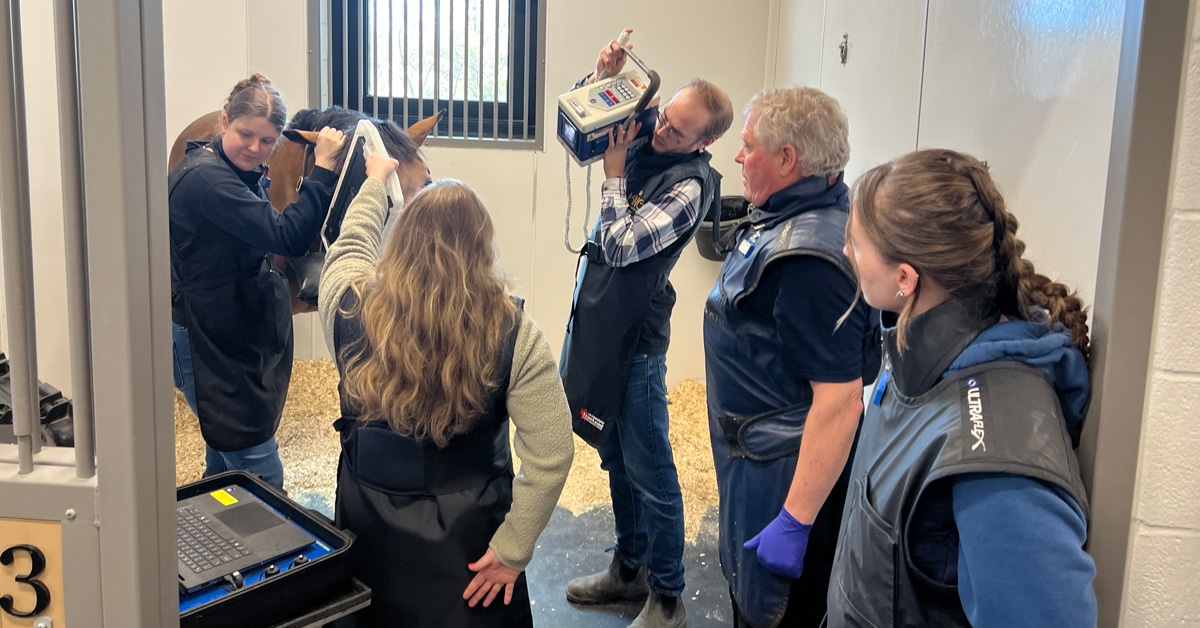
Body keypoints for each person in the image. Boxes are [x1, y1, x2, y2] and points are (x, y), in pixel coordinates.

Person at [827, 148, 1097, 626]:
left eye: (857, 244)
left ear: (905, 277)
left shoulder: (999, 451)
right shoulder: (914, 353)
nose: (847, 253)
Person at [318, 166, 575, 627]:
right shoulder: (517, 335)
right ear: (481, 249)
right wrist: (512, 549)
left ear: (399, 241)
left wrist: (376, 183)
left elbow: (348, 248)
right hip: (469, 547)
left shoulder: (347, 308)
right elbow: (552, 452)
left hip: (368, 536)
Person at [560, 30, 733, 628]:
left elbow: (620, 244)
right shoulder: (650, 127)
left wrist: (613, 176)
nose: (660, 131)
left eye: (678, 132)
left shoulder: (690, 186)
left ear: (703, 142)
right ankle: (628, 569)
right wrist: (602, 78)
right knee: (614, 455)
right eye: (665, 118)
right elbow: (581, 131)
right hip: (601, 324)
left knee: (652, 471)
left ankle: (668, 597)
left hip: (636, 343)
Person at [703, 86, 880, 628]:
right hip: (755, 463)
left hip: (782, 479)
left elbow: (841, 400)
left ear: (787, 159)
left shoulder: (810, 261)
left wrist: (795, 521)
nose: (738, 156)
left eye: (748, 145)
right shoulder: (790, 217)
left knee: (773, 611)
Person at [169, 73, 343, 488]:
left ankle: (213, 521)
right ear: (224, 121)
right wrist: (322, 171)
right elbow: (286, 235)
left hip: (222, 330)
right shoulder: (207, 181)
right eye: (245, 134)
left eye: (267, 141)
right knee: (260, 470)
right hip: (201, 336)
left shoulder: (231, 169)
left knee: (223, 457)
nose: (254, 148)